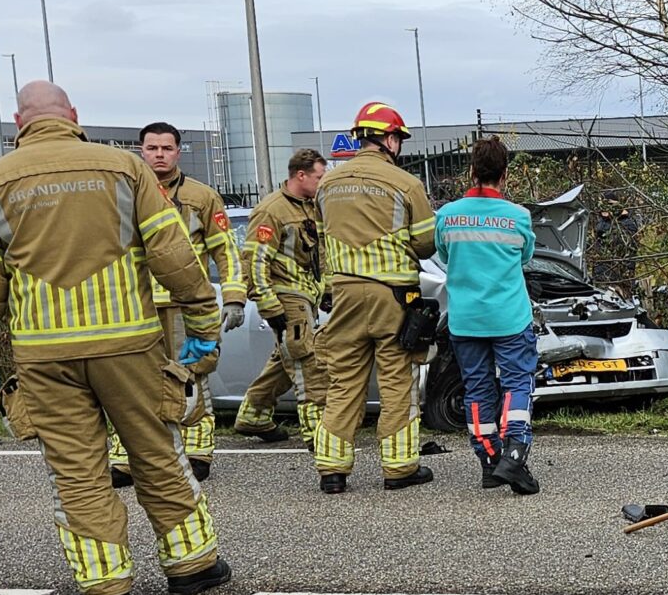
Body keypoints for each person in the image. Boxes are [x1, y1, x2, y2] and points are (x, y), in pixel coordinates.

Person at [0, 81, 231, 595]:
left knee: (75, 470)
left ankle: (105, 588)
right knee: (156, 451)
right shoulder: (124, 168)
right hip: (129, 344)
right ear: (73, 116)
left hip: (44, 355)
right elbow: (172, 252)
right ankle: (192, 567)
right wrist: (201, 319)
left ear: (18, 123)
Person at [106, 122, 246, 483]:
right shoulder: (122, 195)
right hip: (138, 304)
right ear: (141, 151)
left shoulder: (200, 197)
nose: (159, 155)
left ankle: (197, 453)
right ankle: (126, 458)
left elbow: (225, 250)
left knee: (191, 376)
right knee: (132, 382)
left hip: (187, 305)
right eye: (152, 148)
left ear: (178, 152)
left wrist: (233, 296)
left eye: (166, 148)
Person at [313, 101, 437, 493]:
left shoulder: (328, 184)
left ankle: (332, 470)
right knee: (397, 379)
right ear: (387, 139)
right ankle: (399, 469)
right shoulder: (405, 184)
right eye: (397, 137)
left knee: (344, 381)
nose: (398, 144)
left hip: (345, 294)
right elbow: (426, 242)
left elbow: (323, 236)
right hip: (393, 297)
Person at [433, 138, 540, 495]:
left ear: (471, 171)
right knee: (516, 383)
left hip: (465, 319)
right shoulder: (518, 217)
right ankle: (514, 451)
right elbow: (525, 258)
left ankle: (489, 460)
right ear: (505, 175)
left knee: (477, 389)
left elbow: (444, 256)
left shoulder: (447, 215)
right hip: (509, 316)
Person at [233, 148, 327, 438]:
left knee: (284, 358)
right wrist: (269, 305)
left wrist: (329, 287)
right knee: (307, 361)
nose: (323, 184)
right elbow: (255, 261)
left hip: (307, 296)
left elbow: (321, 252)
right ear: (301, 175)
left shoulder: (312, 206)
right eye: (319, 177)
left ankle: (254, 415)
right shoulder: (272, 210)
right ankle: (319, 434)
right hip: (286, 298)